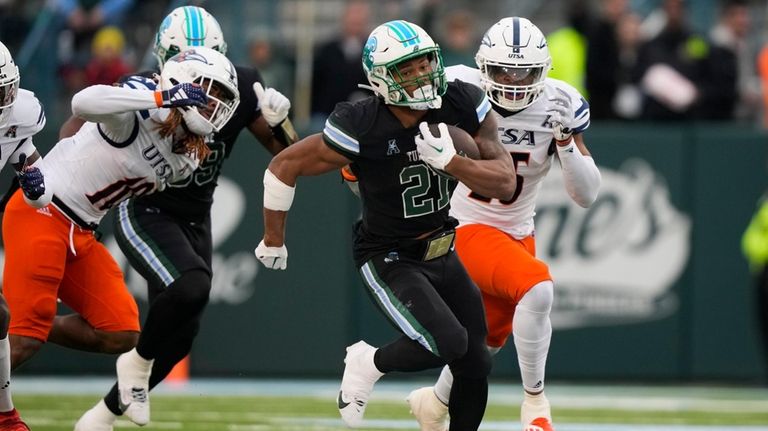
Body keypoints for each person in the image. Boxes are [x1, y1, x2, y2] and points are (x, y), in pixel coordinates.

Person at [256, 19, 516, 431]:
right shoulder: (362, 123)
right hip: (389, 255)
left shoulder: (461, 101)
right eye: (406, 69)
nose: (420, 75)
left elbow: (505, 183)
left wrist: (453, 163)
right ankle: (367, 362)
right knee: (447, 342)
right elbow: (286, 163)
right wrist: (274, 238)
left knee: (476, 360)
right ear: (381, 79)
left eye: (424, 63)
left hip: (442, 247)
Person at [74, 6, 296, 430]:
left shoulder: (243, 84)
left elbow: (287, 154)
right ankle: (133, 366)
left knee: (180, 335)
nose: (203, 83)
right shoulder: (147, 87)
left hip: (196, 214)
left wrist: (281, 122)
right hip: (145, 205)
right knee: (191, 286)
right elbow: (79, 121)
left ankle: (102, 415)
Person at [3, 45, 238, 424]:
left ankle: (28, 320)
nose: (213, 107)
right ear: (183, 83)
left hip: (82, 230)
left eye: (220, 101)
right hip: (44, 210)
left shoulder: (189, 154)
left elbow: (164, 167)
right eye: (208, 95)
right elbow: (83, 102)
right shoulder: (141, 107)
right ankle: (24, 329)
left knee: (122, 331)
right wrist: (160, 97)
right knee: (23, 340)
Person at [405, 17, 600, 431]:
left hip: (517, 230)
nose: (512, 81)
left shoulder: (559, 103)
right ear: (481, 67)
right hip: (465, 224)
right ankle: (536, 406)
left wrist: (565, 142)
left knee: (488, 340)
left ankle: (435, 405)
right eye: (501, 71)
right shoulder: (456, 87)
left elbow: (586, 195)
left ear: (542, 71)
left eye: (523, 72)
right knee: (538, 287)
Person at [0, 40, 54, 431]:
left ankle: (4, 414)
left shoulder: (21, 112)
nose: (3, 101)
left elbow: (22, 147)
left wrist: (30, 171)